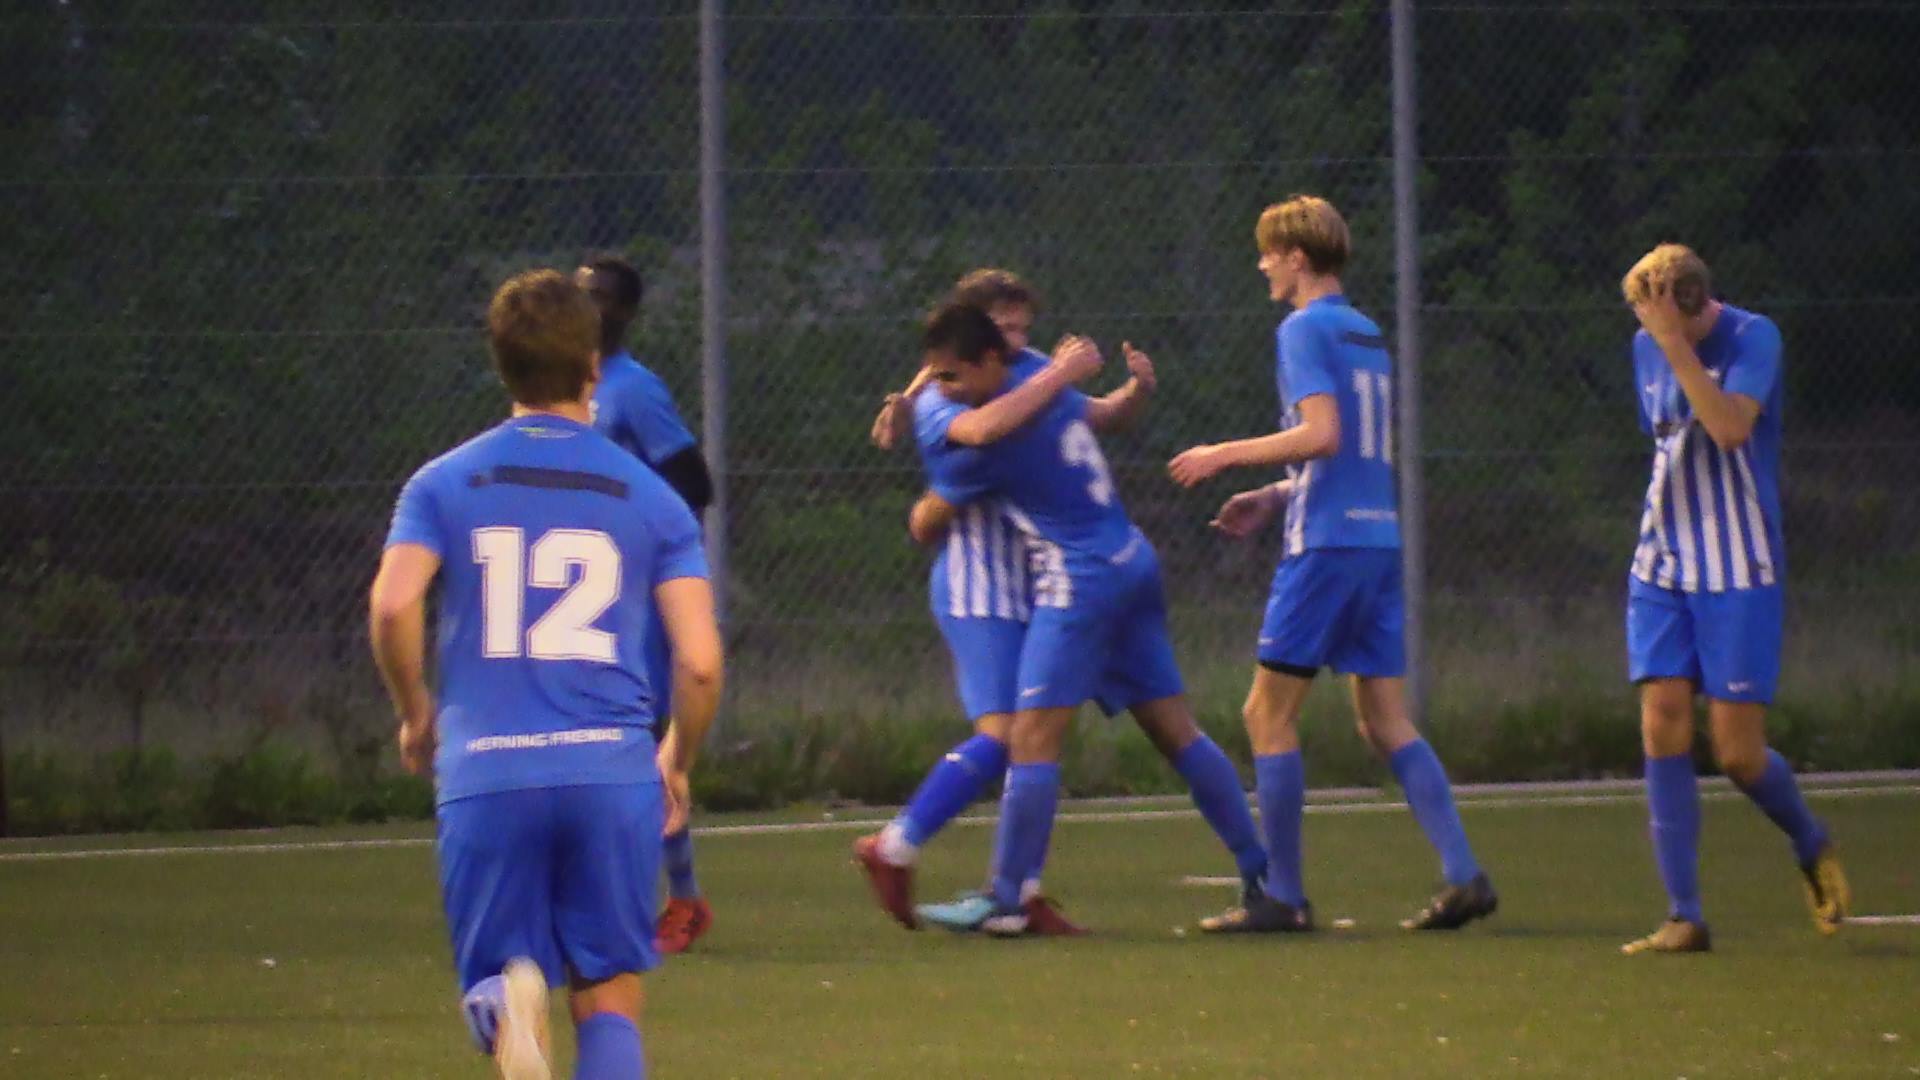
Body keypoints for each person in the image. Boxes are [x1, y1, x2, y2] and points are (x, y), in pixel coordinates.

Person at [369, 269, 723, 1078]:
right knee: (609, 992)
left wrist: (416, 710)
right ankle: (525, 1009)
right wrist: (676, 758)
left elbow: (392, 606)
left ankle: (504, 1003)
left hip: (488, 768)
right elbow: (701, 663)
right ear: (594, 365)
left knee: (497, 976)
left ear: (501, 364)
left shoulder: (442, 481)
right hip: (609, 771)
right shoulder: (653, 497)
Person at [1168, 194, 1495, 934]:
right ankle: (1465, 874)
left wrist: (1223, 455)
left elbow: (1322, 435)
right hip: (1377, 542)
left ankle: (1283, 896)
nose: (1262, 266)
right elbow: (1353, 454)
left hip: (1326, 548)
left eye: (1268, 253)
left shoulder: (1302, 328)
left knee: (1266, 713)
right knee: (1383, 719)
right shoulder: (1365, 331)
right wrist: (1275, 495)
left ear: (1296, 257)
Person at [903, 301, 1272, 936]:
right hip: (1132, 557)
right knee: (1176, 731)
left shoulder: (995, 421)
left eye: (953, 377)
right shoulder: (1037, 373)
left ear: (988, 358)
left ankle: (1009, 900)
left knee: (1030, 737)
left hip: (1082, 577)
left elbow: (961, 464)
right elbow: (1091, 413)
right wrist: (1093, 381)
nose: (945, 390)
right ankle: (1265, 877)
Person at [1614, 243, 1849, 954]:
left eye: (1656, 313)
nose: (1647, 325)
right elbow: (1666, 445)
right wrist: (1659, 340)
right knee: (1662, 719)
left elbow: (1727, 428)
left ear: (1688, 305)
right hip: (1662, 559)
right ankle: (1683, 914)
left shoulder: (1753, 337)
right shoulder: (1644, 345)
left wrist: (1675, 346)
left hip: (1739, 564)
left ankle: (1809, 839)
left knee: (1738, 754)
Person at [576, 255, 718, 957]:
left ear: (625, 313)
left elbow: (695, 482)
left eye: (599, 296)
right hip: (582, 592)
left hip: (632, 593)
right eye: (579, 293)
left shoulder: (632, 390)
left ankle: (683, 898)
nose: (586, 305)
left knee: (643, 735)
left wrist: (635, 532)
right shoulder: (564, 390)